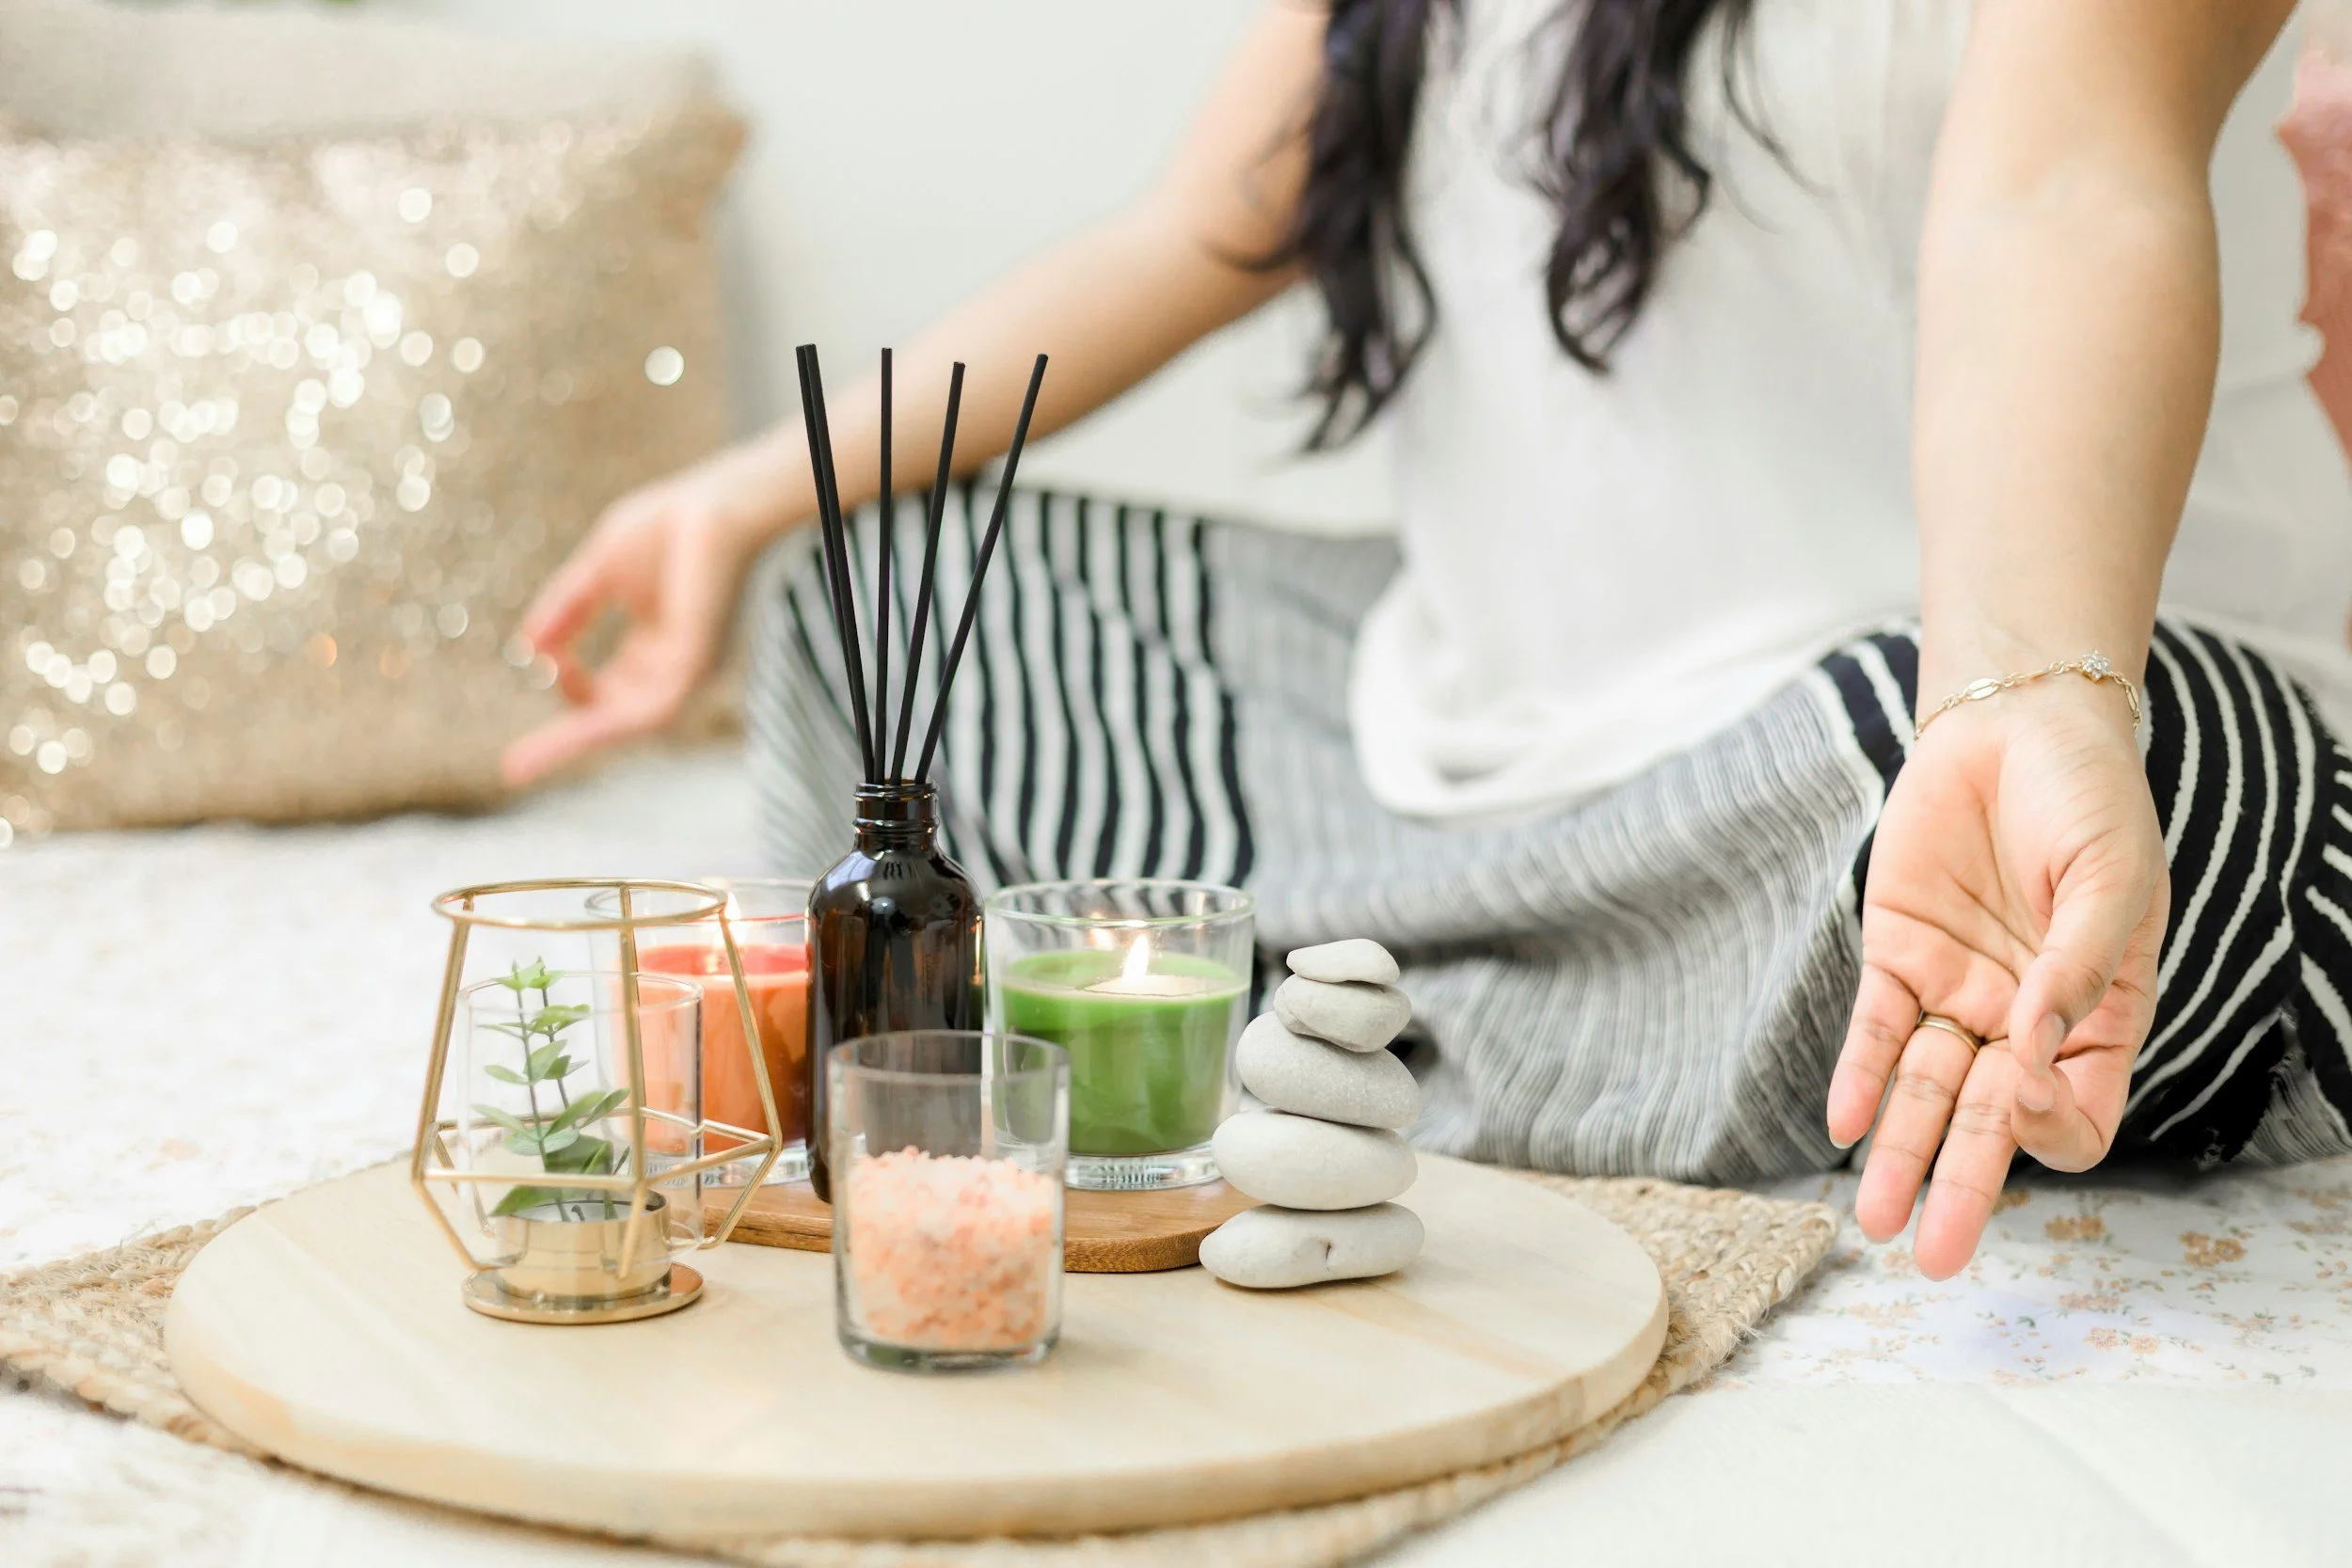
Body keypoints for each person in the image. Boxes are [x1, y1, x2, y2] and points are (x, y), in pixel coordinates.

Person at [506, 0, 2352, 1277]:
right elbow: (1200, 228)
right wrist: (741, 497)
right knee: (885, 593)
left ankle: (1355, 1017)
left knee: (2180, 796)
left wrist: (2026, 686)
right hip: (1468, 754)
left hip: (1941, 737)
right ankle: (1505, 1012)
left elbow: (2058, 187)